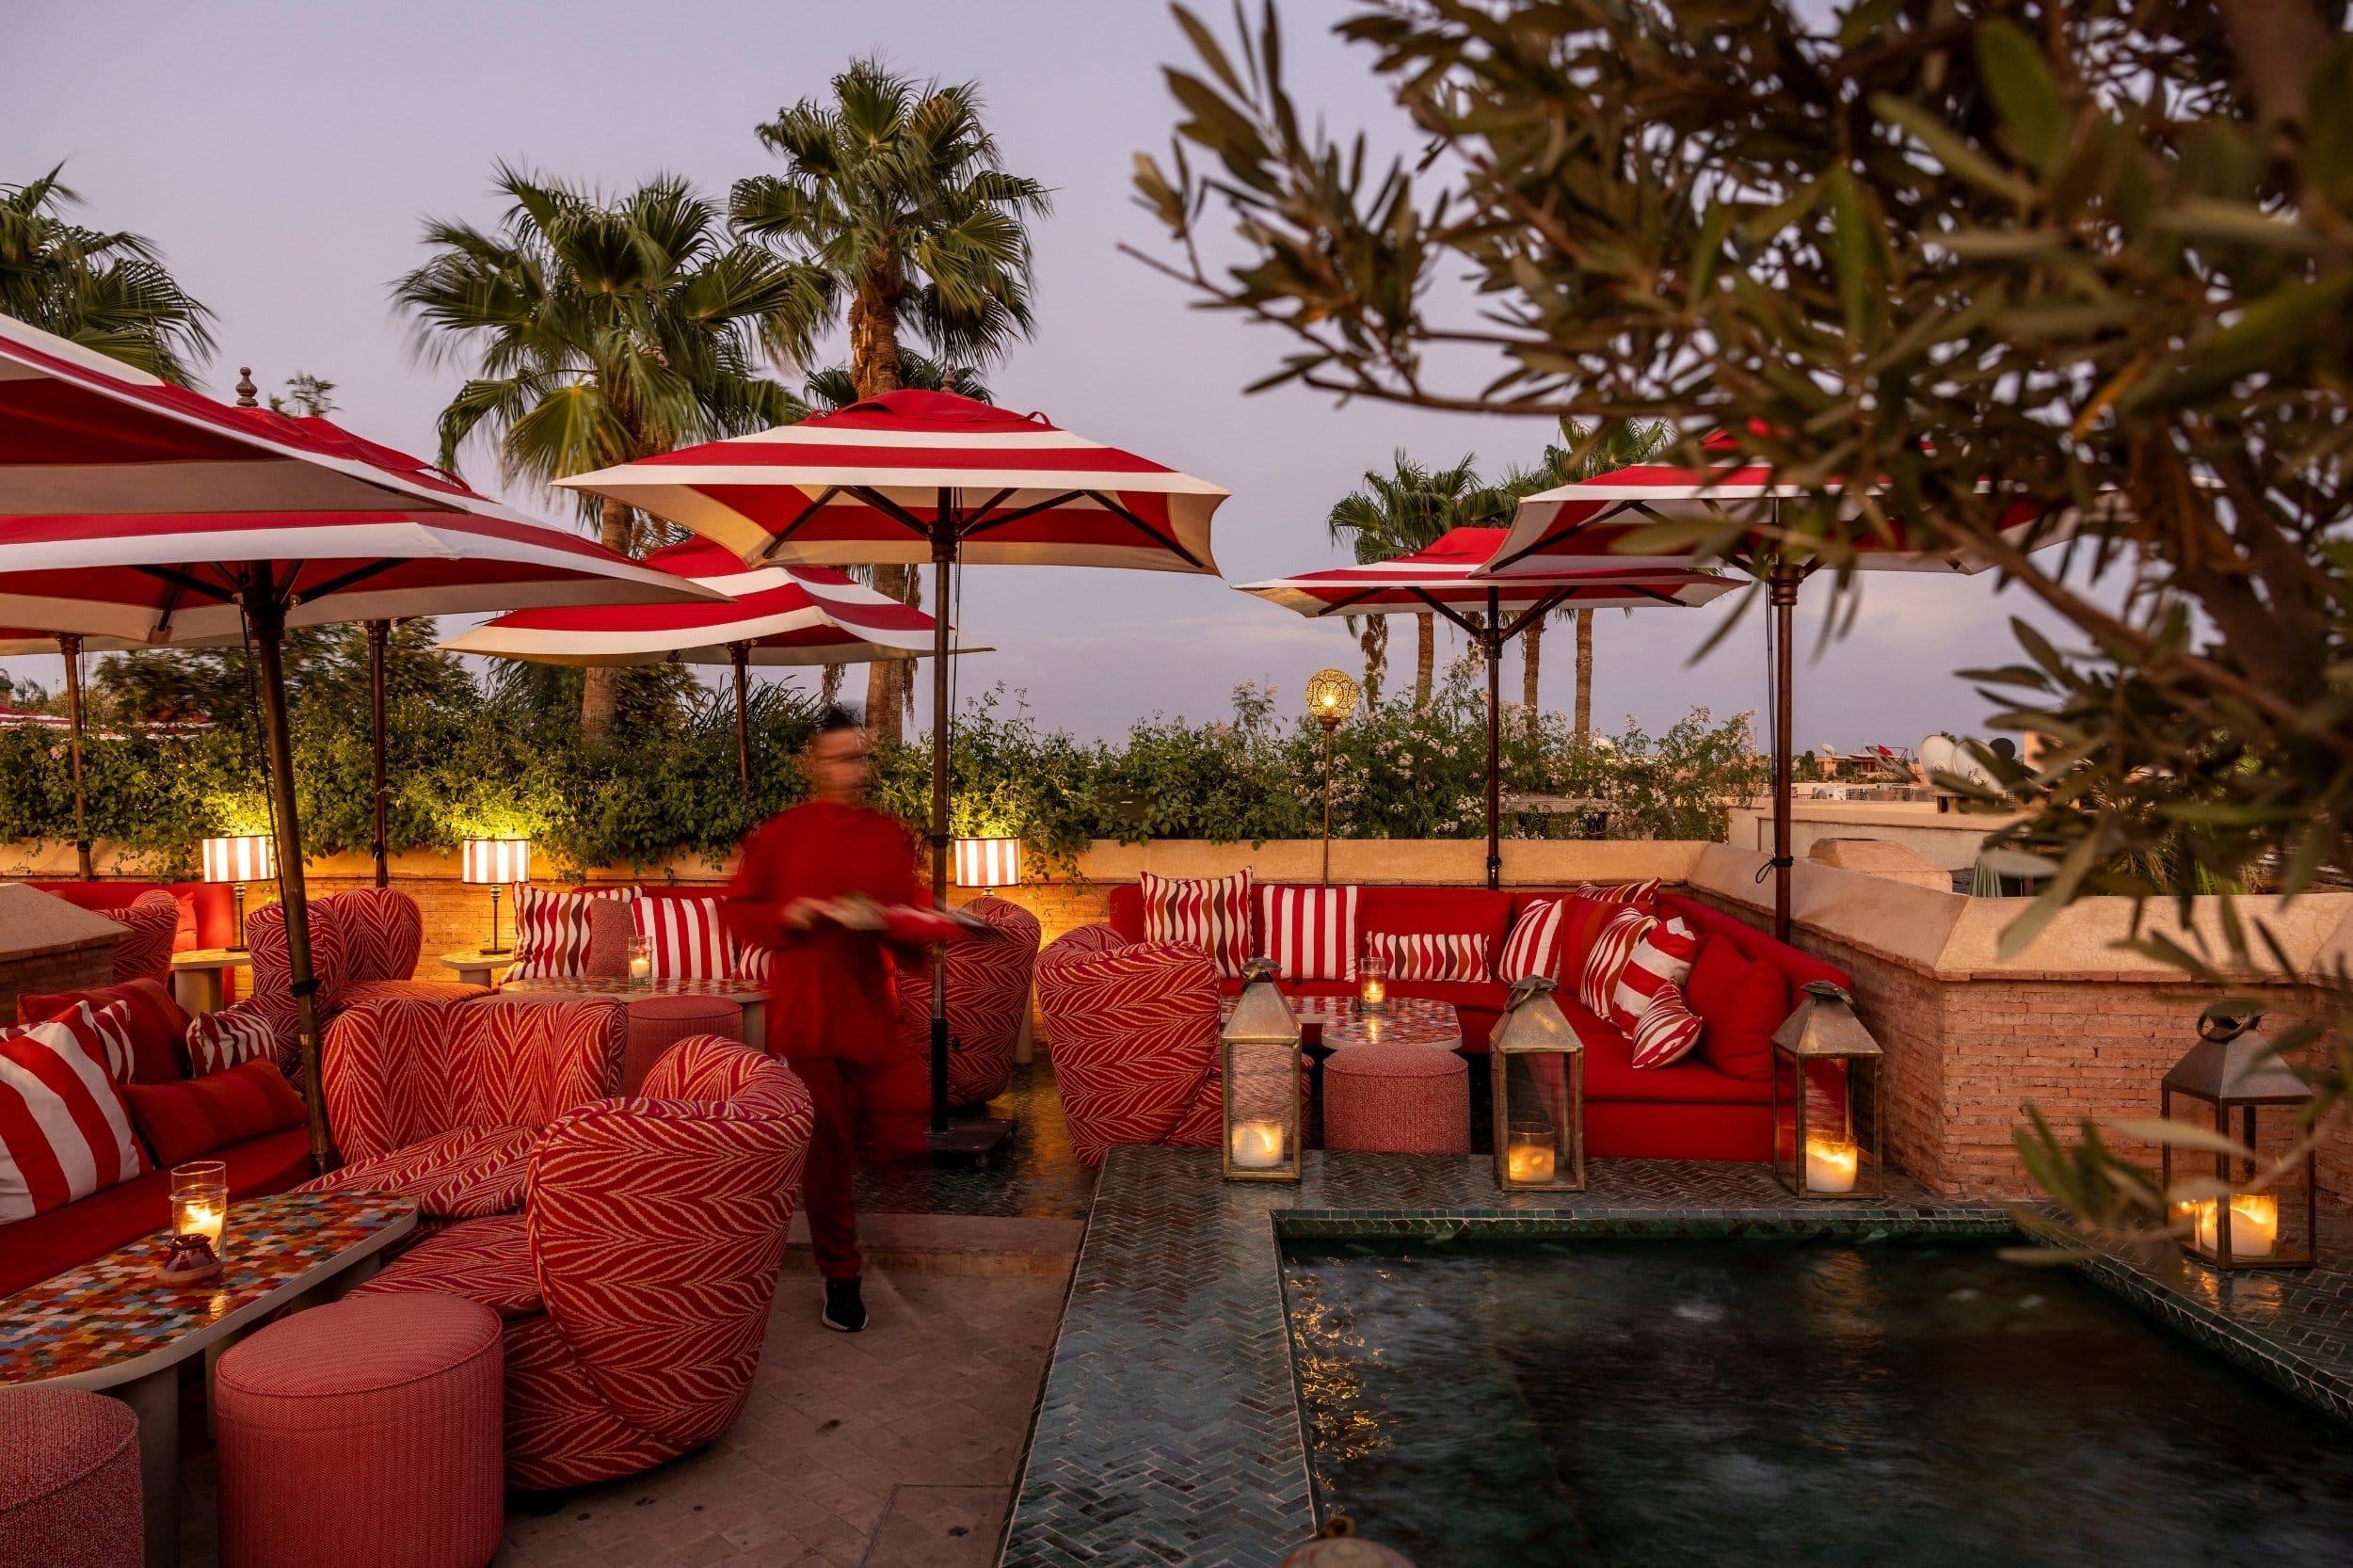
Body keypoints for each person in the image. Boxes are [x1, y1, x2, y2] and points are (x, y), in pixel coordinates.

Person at [725, 705, 929, 1333]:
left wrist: (897, 926)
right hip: (810, 1019)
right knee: (829, 1155)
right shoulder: (782, 834)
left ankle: (901, 1255)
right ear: (814, 764)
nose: (852, 768)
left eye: (861, 756)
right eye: (840, 757)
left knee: (904, 1134)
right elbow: (739, 913)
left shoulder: (888, 835)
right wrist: (794, 915)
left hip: (872, 1014)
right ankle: (842, 1277)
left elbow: (910, 931)